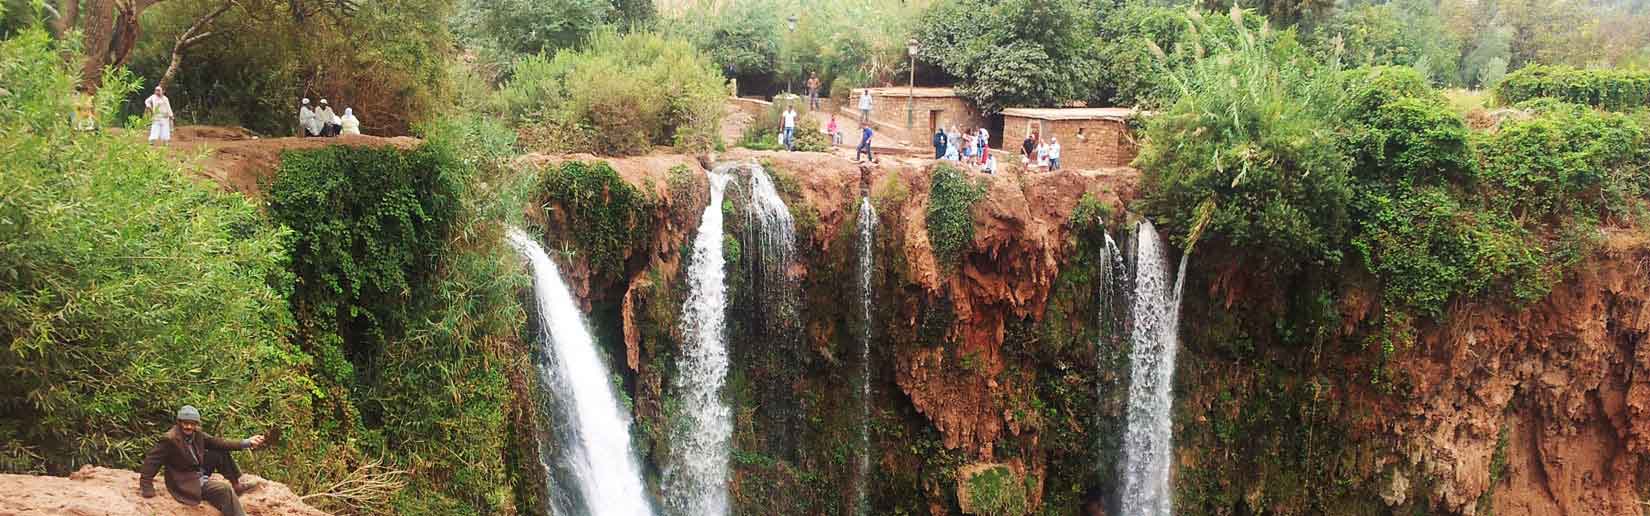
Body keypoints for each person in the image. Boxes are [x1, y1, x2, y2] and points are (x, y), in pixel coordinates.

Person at [139, 406, 268, 516]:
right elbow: (152, 461)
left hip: (197, 469)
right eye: (185, 423)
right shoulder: (170, 439)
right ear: (179, 422)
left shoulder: (197, 434)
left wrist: (247, 442)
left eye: (192, 423)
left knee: (219, 451)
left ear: (196, 424)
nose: (188, 426)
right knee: (224, 489)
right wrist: (146, 486)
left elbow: (219, 443)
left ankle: (237, 485)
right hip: (185, 480)